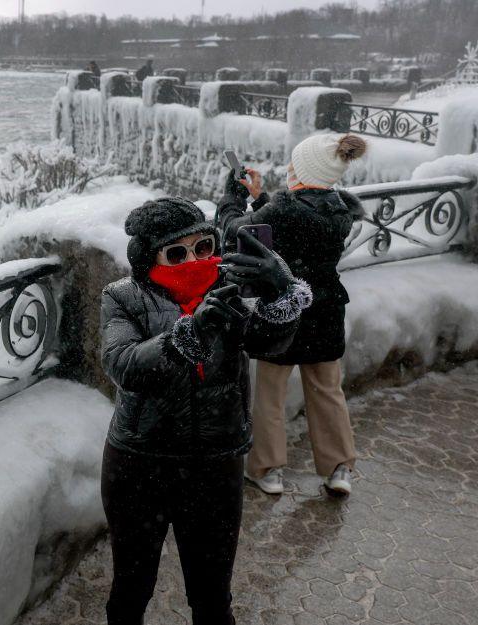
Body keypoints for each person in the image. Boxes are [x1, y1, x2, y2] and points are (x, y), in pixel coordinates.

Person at [100, 197, 312, 625]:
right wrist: (188, 333)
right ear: (148, 259)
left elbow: (268, 344)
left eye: (203, 247)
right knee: (131, 589)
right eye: (176, 253)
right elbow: (122, 364)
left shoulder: (228, 288)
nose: (194, 260)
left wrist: (280, 292)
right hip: (141, 462)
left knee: (213, 596)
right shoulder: (123, 297)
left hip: (215, 463)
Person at [214, 134, 367, 497]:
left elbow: (237, 230)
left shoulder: (284, 211)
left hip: (285, 310)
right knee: (328, 390)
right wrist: (260, 198)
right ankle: (338, 468)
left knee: (271, 394)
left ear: (303, 171)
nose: (287, 169)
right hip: (326, 309)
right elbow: (297, 224)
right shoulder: (339, 210)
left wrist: (232, 197)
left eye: (293, 165)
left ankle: (268, 471)